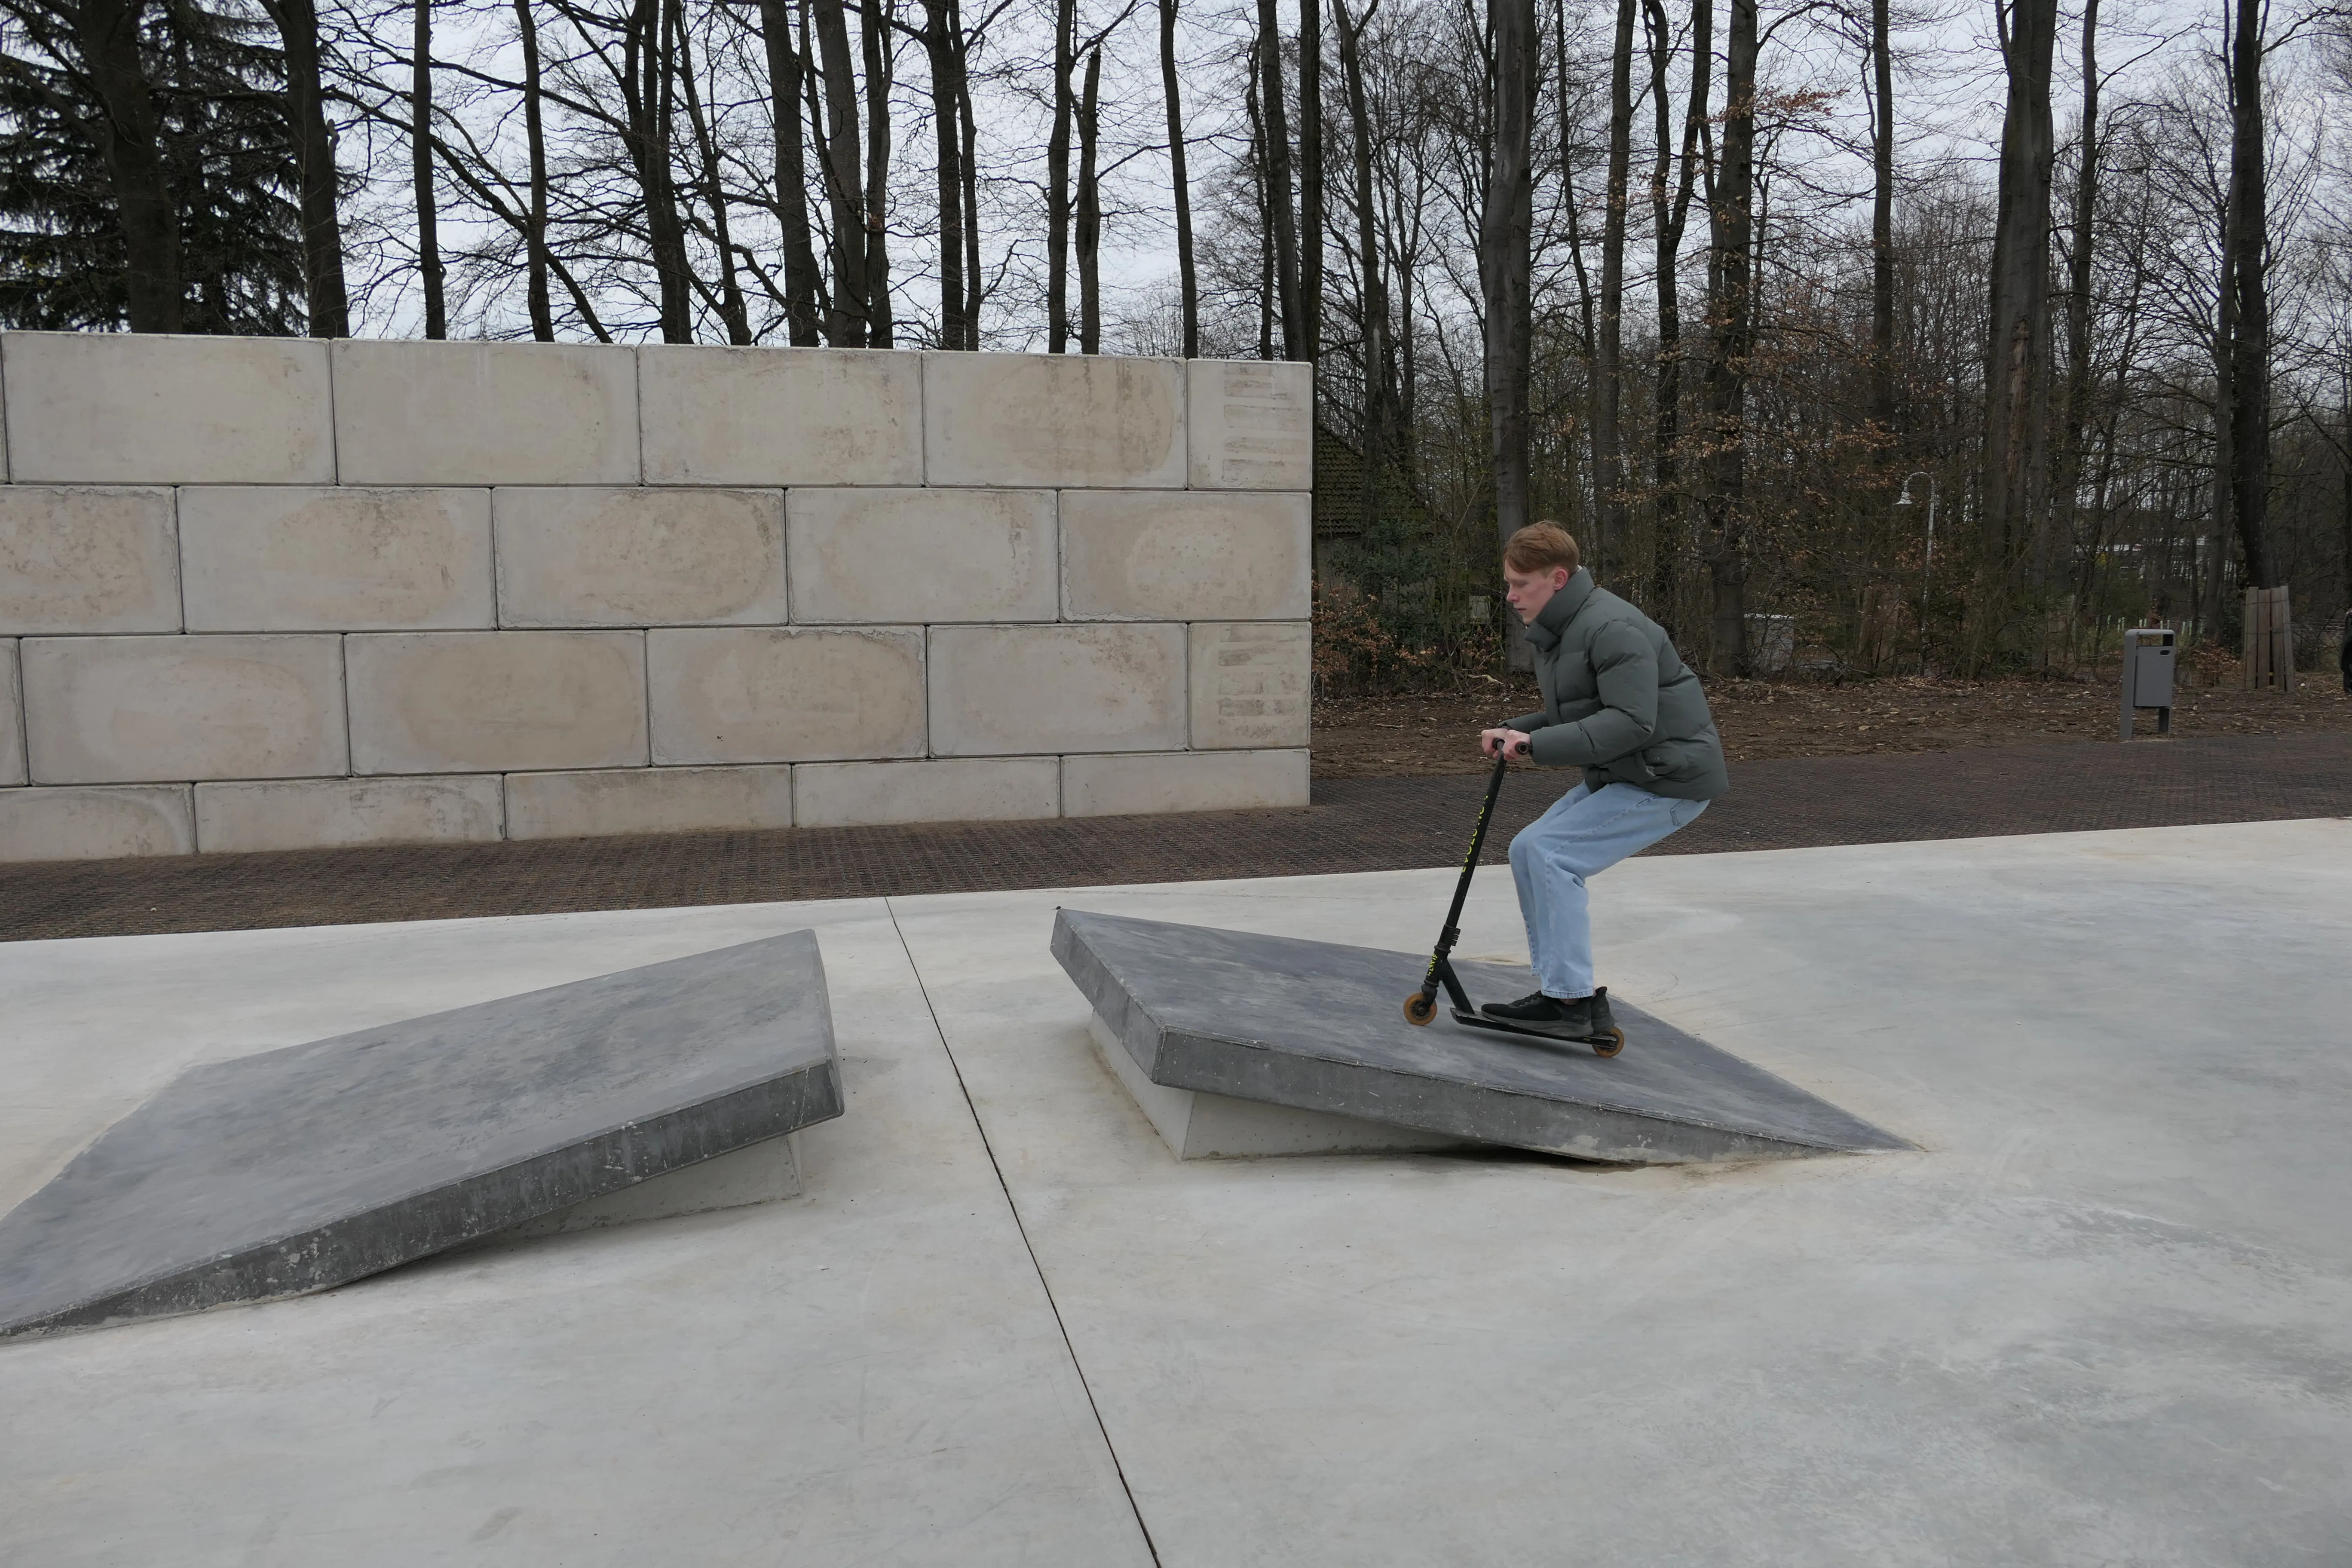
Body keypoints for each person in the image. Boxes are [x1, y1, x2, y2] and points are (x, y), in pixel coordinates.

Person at [1476, 523, 1730, 1038]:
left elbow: (1630, 722)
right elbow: (1579, 711)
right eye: (1510, 583)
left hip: (1666, 779)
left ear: (1559, 578)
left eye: (1521, 584)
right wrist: (1517, 729)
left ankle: (1570, 1004)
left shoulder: (1612, 629)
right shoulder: (1563, 629)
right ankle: (1558, 992)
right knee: (1529, 849)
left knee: (1553, 854)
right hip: (1629, 772)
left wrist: (1537, 747)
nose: (1511, 596)